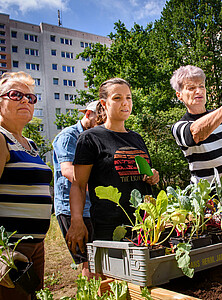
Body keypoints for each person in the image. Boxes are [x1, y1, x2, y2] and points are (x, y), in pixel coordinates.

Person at [65, 78, 159, 255]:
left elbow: (145, 175)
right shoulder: (91, 138)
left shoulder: (136, 138)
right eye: (117, 98)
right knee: (115, 280)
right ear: (104, 103)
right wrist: (77, 220)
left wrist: (153, 176)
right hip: (110, 227)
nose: (125, 103)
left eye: (128, 98)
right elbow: (78, 185)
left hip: (145, 224)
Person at [0, 72, 52, 299]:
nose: (25, 100)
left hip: (34, 247)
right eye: (15, 94)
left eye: (31, 98)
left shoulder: (28, 144)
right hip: (10, 249)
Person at [52, 100, 98, 277]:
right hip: (72, 208)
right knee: (89, 262)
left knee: (98, 259)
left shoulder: (95, 136)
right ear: (87, 114)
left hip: (92, 207)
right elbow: (68, 171)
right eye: (98, 118)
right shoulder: (68, 136)